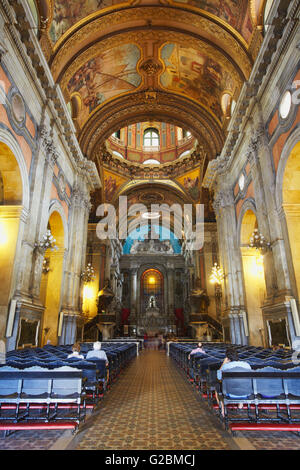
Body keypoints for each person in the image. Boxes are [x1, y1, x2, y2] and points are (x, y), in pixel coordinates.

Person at [216, 347, 252, 416]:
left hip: (230, 392)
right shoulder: (246, 365)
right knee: (241, 383)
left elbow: (218, 377)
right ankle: (240, 407)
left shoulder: (226, 366)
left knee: (217, 387)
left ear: (227, 358)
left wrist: (223, 363)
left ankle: (223, 410)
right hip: (245, 393)